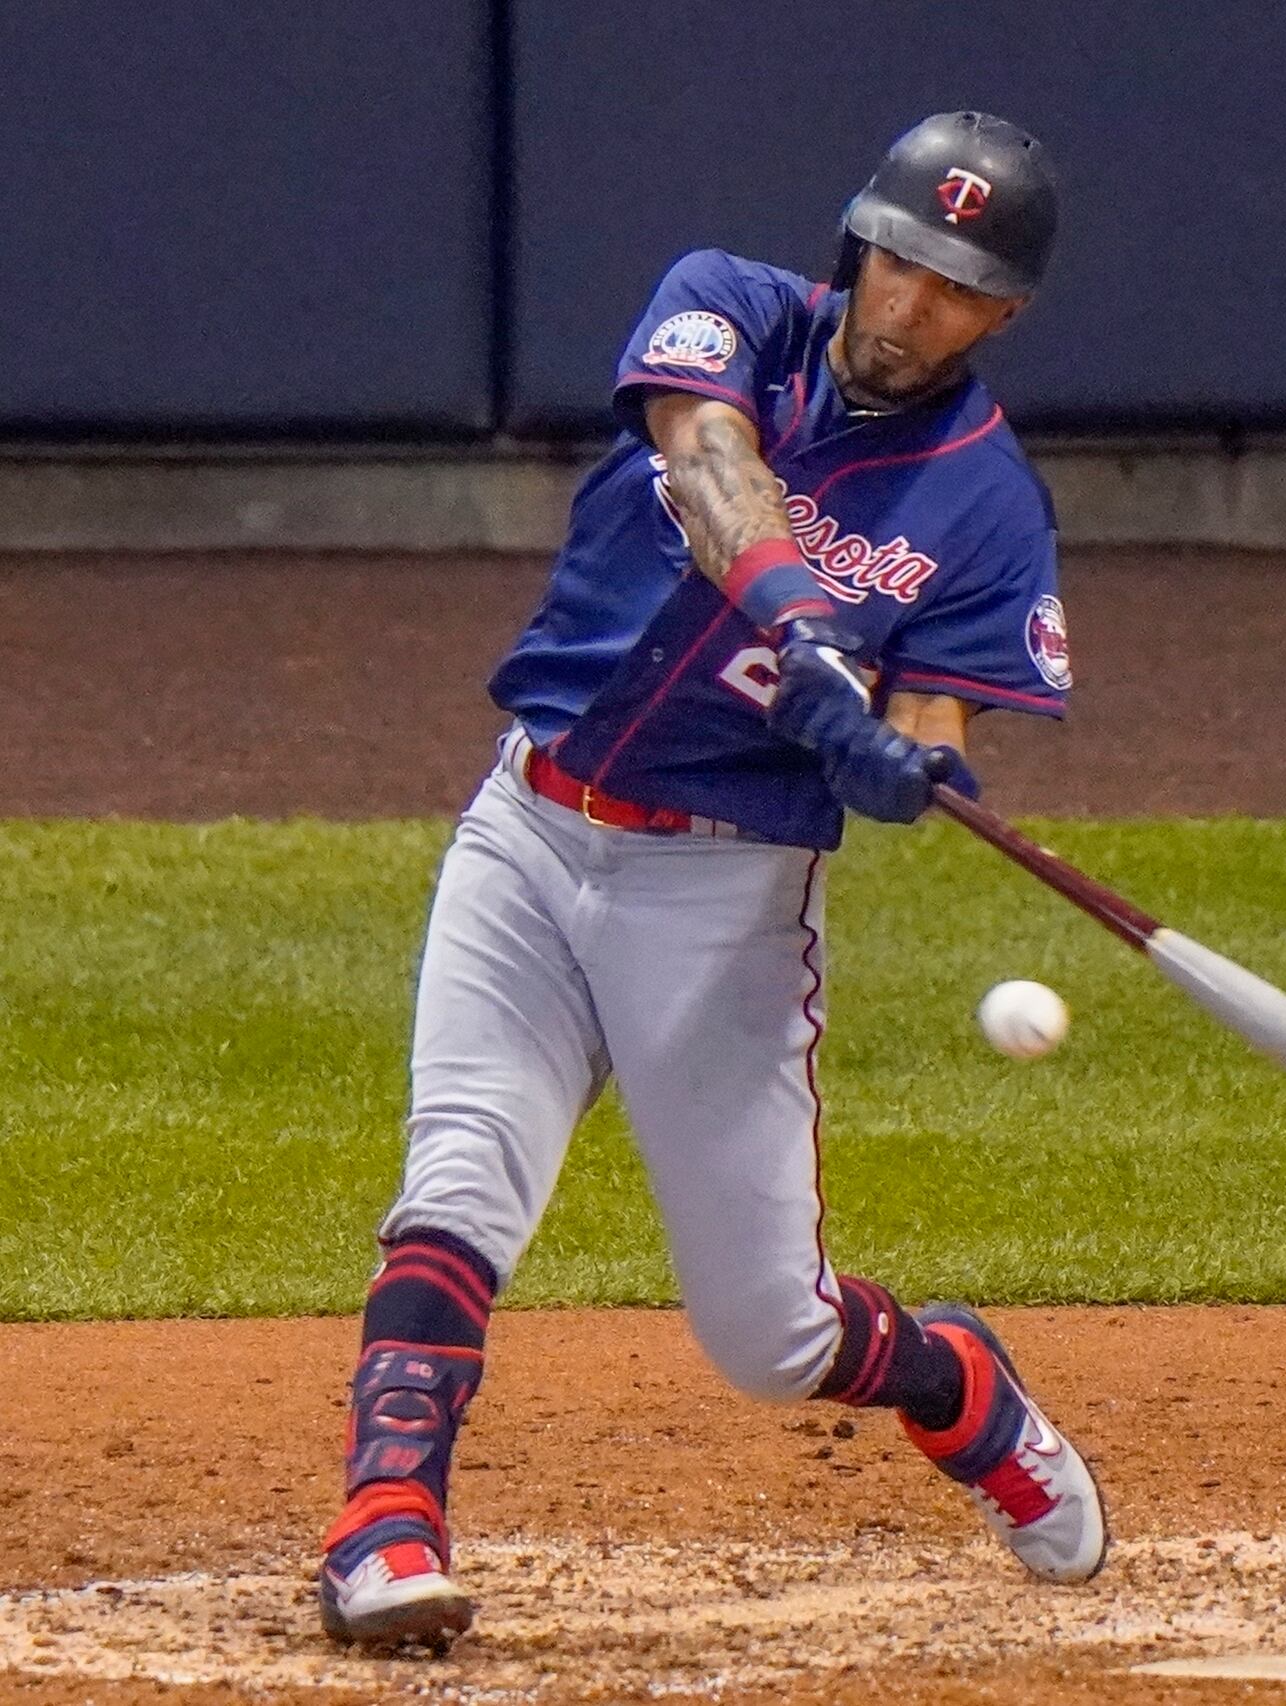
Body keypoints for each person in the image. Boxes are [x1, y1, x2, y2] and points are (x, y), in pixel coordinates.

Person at [316, 112, 1105, 1650]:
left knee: (770, 1335)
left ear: (1002, 316)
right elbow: (705, 454)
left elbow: (930, 723)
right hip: (531, 829)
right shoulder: (729, 306)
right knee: (460, 1177)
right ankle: (384, 1524)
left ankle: (956, 1385)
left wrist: (900, 766)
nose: (909, 304)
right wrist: (808, 628)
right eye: (899, 261)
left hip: (720, 896)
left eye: (955, 288)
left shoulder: (988, 504)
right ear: (857, 241)